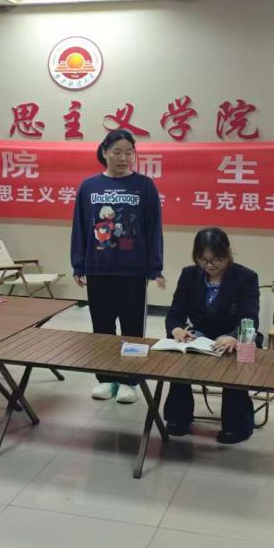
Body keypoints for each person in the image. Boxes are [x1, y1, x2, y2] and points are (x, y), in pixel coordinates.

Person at [71, 129, 164, 404]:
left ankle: (130, 381)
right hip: (98, 268)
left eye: (129, 152)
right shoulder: (89, 186)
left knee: (132, 328)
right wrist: (78, 264)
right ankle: (106, 378)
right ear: (105, 152)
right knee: (102, 327)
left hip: (133, 271)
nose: (123, 158)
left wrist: (154, 267)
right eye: (117, 152)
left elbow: (153, 229)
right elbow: (80, 227)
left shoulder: (144, 186)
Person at [163, 227, 260, 444]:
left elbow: (250, 317)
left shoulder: (245, 277)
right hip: (201, 335)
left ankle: (236, 425)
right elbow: (176, 311)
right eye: (203, 260)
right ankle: (178, 417)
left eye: (216, 259)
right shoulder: (189, 274)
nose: (209, 265)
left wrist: (233, 337)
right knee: (178, 357)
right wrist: (176, 329)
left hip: (236, 335)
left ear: (227, 253)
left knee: (235, 361)